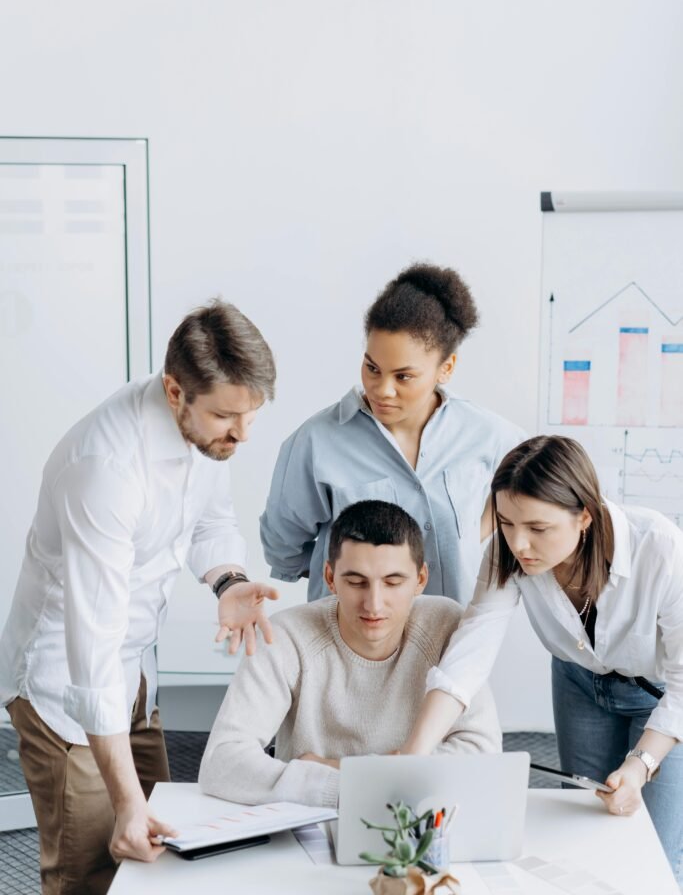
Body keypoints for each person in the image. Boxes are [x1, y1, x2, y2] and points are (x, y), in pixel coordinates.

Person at [0, 299, 279, 895]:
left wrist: (227, 582)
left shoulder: (208, 432)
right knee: (92, 873)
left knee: (165, 854)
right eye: (229, 417)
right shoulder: (104, 467)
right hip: (65, 687)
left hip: (135, 671)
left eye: (252, 415)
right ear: (176, 391)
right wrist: (125, 802)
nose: (242, 433)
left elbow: (211, 522)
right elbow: (91, 649)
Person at [401, 435, 683, 885]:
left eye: (537, 527)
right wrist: (414, 752)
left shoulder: (661, 548)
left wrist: (640, 765)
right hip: (578, 685)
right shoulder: (507, 551)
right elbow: (471, 651)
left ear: (584, 514)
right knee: (587, 829)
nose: (518, 542)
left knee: (661, 858)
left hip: (661, 696)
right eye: (506, 522)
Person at [199, 500, 501, 808]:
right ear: (330, 578)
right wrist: (358, 786)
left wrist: (340, 769)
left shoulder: (444, 625)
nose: (374, 604)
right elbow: (222, 762)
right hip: (308, 822)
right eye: (356, 582)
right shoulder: (286, 635)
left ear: (420, 580)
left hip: (417, 822)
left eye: (393, 582)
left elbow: (484, 752)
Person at [261, 263, 525, 606]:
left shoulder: (488, 435)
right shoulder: (315, 441)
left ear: (446, 368)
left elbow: (529, 499)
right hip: (348, 644)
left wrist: (471, 540)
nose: (382, 389)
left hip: (453, 641)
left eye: (403, 377)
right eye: (372, 368)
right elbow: (285, 549)